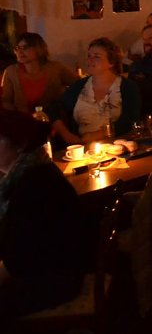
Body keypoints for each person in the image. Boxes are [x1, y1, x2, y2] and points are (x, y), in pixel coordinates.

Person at [0, 110, 84, 319]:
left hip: (52, 284)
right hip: (45, 272)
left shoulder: (34, 184)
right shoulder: (31, 169)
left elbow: (17, 263)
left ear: (19, 144)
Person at [53, 38, 141, 145]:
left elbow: (131, 121)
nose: (90, 60)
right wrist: (67, 135)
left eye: (96, 56)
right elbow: (54, 109)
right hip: (83, 148)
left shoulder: (127, 87)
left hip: (118, 146)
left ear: (111, 62)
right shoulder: (80, 86)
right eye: (89, 56)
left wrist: (98, 134)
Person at [1, 32, 77, 113]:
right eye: (17, 48)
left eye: (25, 47)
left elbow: (78, 86)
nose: (20, 51)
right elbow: (6, 101)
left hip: (53, 120)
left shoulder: (56, 68)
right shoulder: (11, 72)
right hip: (23, 121)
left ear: (39, 49)